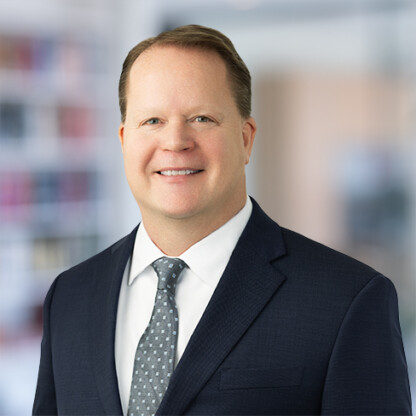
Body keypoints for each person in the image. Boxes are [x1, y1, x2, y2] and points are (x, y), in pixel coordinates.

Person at [33, 24, 411, 415]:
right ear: (125, 139)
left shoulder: (347, 300)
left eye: (201, 118)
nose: (176, 141)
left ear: (246, 139)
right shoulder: (70, 297)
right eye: (152, 121)